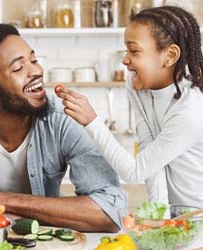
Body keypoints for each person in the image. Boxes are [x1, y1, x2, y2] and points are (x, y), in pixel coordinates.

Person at [0, 24, 127, 232]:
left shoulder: (63, 116)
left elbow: (110, 213)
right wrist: (57, 215)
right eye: (18, 68)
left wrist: (2, 200)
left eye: (33, 60)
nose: (36, 71)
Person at [56, 6, 203, 207]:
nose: (125, 60)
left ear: (170, 55)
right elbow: (149, 151)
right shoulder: (137, 85)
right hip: (179, 218)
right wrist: (160, 216)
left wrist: (92, 121)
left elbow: (135, 171)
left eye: (134, 51)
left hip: (198, 216)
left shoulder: (190, 112)